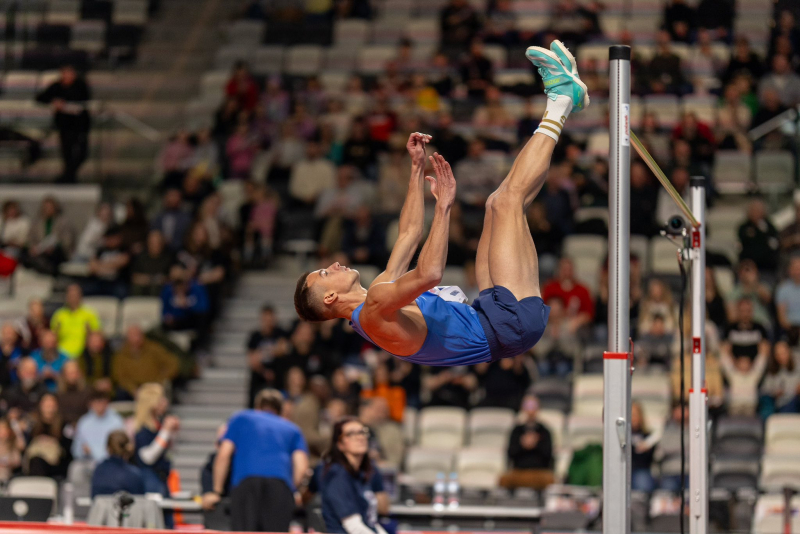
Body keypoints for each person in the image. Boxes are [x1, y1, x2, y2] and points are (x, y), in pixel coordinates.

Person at [294, 40, 592, 367]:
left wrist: (415, 168)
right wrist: (443, 207)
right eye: (324, 272)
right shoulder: (375, 310)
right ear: (330, 297)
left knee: (496, 204)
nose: (334, 265)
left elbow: (408, 233)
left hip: (488, 316)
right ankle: (561, 99)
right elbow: (430, 273)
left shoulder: (378, 292)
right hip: (509, 326)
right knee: (509, 201)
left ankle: (567, 100)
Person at [202, 389, 309, 532]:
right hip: (280, 487)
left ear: (257, 406)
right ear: (281, 409)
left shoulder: (241, 418)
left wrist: (217, 491)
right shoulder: (293, 429)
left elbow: (223, 455)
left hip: (247, 485)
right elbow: (301, 467)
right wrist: (291, 489)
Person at [319, 416, 389, 534]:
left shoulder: (363, 473)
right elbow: (353, 526)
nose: (360, 437)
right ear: (340, 444)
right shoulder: (336, 475)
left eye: (362, 432)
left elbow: (372, 521)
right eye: (351, 434)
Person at [35, 64, 91, 183]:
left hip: (80, 125)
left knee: (82, 153)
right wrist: (54, 101)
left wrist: (66, 103)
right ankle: (69, 177)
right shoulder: (56, 86)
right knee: (67, 153)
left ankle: (69, 175)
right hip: (64, 125)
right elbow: (40, 97)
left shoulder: (80, 85)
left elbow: (85, 99)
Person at [133, 383, 180, 509]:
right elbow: (148, 457)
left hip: (162, 477)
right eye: (161, 399)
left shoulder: (158, 425)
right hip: (150, 479)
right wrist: (166, 431)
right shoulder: (143, 430)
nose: (165, 402)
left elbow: (167, 452)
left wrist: (171, 433)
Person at [499, 395, 554, 490]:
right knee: (503, 479)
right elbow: (510, 453)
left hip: (539, 472)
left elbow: (548, 454)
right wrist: (522, 445)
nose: (530, 410)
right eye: (528, 406)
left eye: (533, 406)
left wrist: (536, 444)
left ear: (538, 408)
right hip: (519, 471)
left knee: (551, 480)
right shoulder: (516, 431)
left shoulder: (545, 431)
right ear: (523, 408)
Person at [112, 326, 180, 400]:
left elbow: (172, 364)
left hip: (153, 386)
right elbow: (120, 376)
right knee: (120, 393)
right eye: (132, 335)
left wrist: (160, 380)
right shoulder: (121, 354)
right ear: (127, 338)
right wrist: (133, 389)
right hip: (131, 390)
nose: (136, 339)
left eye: (138, 335)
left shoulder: (154, 349)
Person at [72, 389, 124, 462]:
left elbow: (119, 448)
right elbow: (76, 451)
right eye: (96, 402)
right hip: (88, 462)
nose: (99, 405)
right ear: (91, 404)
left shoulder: (116, 420)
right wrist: (84, 452)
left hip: (110, 461)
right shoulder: (84, 422)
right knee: (75, 468)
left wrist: (93, 451)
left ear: (107, 403)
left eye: (102, 402)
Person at [25, 393, 70, 477]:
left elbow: (68, 451)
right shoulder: (33, 425)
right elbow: (26, 446)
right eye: (46, 404)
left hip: (55, 465)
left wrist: (52, 442)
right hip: (36, 462)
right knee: (36, 461)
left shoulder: (64, 425)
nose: (49, 407)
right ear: (40, 405)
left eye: (52, 404)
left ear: (57, 406)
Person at [50, 284, 101, 358]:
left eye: (75, 295)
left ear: (80, 296)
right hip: (61, 354)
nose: (73, 298)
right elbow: (53, 337)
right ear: (66, 297)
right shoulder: (58, 315)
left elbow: (96, 337)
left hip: (83, 354)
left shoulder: (90, 314)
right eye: (70, 295)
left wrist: (89, 334)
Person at [91, 430, 146, 498]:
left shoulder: (98, 470)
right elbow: (140, 503)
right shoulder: (134, 474)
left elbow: (93, 499)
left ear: (108, 448)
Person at [759, 340, 800, 418]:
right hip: (780, 403)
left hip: (795, 399)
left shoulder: (797, 367)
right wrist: (774, 392)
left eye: (784, 353)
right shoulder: (772, 372)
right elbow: (764, 390)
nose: (781, 357)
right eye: (778, 354)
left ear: (789, 352)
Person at [630, 401, 658, 493]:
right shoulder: (620, 436)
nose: (632, 418)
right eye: (630, 415)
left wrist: (647, 448)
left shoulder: (648, 436)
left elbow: (650, 459)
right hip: (622, 469)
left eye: (634, 415)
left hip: (641, 470)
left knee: (643, 480)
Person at [776, 256, 800, 345]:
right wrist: (794, 331)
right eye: (795, 268)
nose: (798, 271)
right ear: (789, 270)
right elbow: (781, 317)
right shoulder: (782, 289)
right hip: (789, 329)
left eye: (799, 268)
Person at [0, 418, 24, 484]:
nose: (1, 432)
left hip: (7, 475)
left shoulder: (12, 445)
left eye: (3, 429)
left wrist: (7, 463)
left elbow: (17, 461)